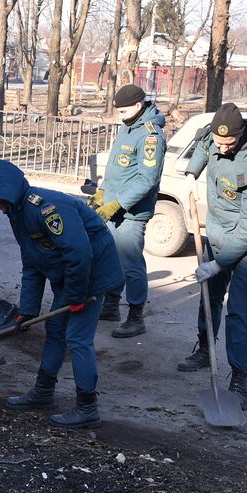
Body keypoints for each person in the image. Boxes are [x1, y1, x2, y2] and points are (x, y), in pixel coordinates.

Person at [0, 159, 124, 429]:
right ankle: (43, 392)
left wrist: (75, 297)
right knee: (55, 328)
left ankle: (87, 408)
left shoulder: (46, 208)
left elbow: (79, 252)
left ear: (10, 193)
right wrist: (27, 310)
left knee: (78, 338)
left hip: (92, 272)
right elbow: (32, 262)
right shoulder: (17, 212)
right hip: (71, 273)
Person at [175, 102, 247, 407]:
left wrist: (219, 264)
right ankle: (205, 350)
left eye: (228, 143)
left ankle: (239, 377)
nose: (221, 148)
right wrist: (191, 173)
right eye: (218, 142)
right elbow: (203, 143)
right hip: (217, 232)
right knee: (209, 297)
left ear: (241, 134)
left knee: (238, 308)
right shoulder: (214, 138)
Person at [93, 84, 166, 338]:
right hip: (114, 208)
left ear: (138, 106)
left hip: (131, 213)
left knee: (130, 265)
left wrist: (116, 204)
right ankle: (111, 306)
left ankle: (136, 318)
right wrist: (103, 193)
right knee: (112, 259)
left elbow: (146, 180)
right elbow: (118, 169)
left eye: (123, 111)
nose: (119, 115)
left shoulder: (150, 136)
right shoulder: (128, 127)